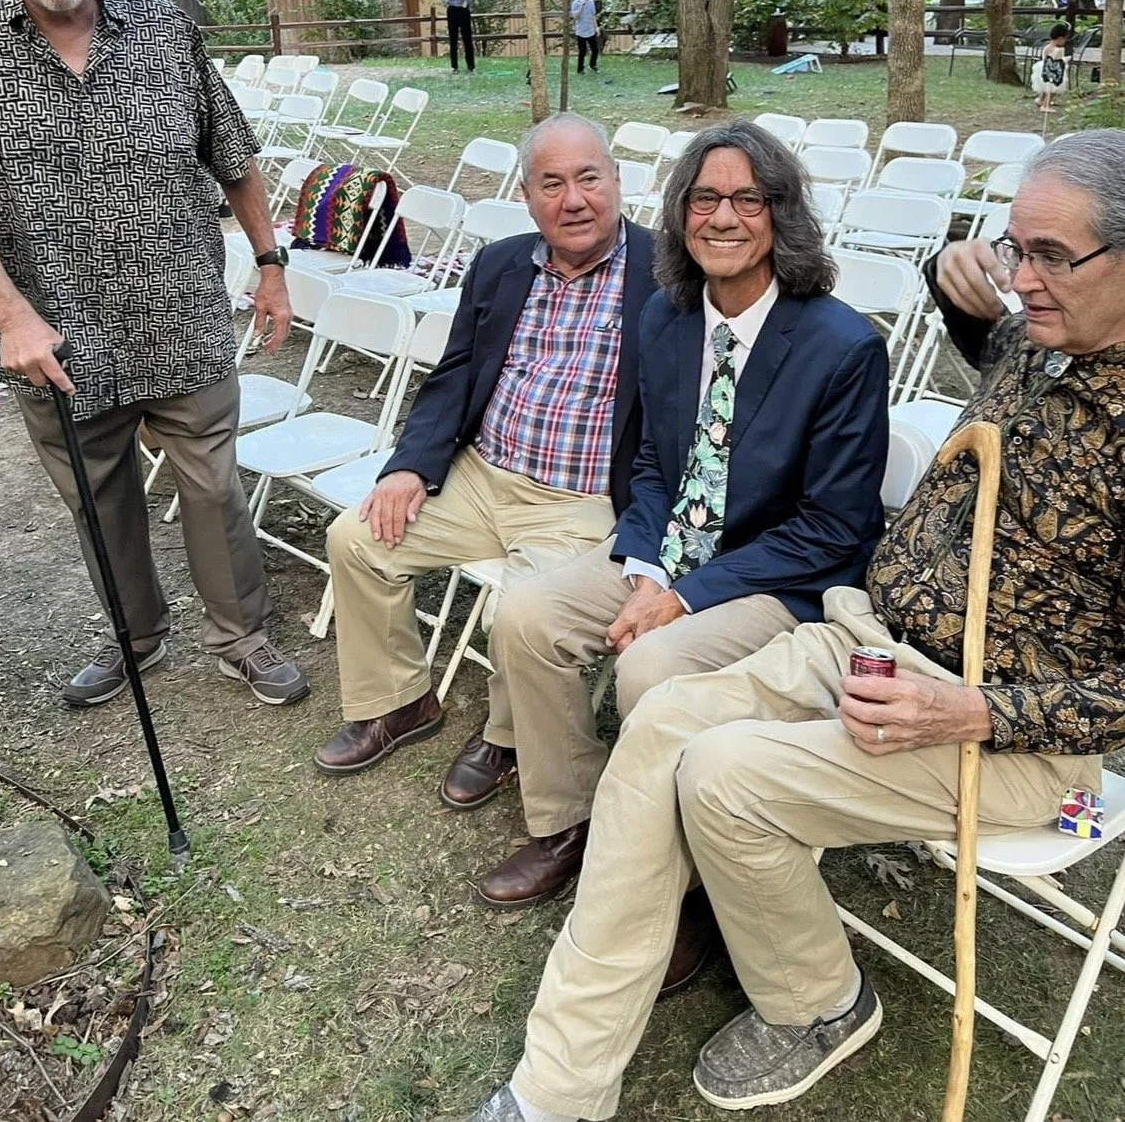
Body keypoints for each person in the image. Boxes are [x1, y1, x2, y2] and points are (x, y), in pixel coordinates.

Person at [455, 129, 1125, 1122]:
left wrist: (969, 708)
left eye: (1049, 256)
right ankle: (554, 1085)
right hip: (865, 636)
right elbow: (1015, 371)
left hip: (1002, 724)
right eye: (1011, 247)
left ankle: (817, 1000)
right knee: (658, 725)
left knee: (717, 774)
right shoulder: (1040, 338)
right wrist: (961, 294)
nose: (1020, 278)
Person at [454, 120, 891, 913]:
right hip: (673, 552)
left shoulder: (841, 347)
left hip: (776, 577)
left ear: (779, 213)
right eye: (704, 199)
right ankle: (570, 821)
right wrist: (647, 564)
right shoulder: (667, 317)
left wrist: (683, 597)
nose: (722, 219)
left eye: (747, 200)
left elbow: (831, 529)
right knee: (523, 614)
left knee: (650, 667)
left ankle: (679, 881)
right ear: (680, 213)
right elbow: (653, 463)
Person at [0, 0, 308, 709]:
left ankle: (242, 636)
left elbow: (234, 157)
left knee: (214, 485)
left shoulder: (162, 31)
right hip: (54, 332)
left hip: (179, 312)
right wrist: (8, 314)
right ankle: (136, 637)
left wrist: (270, 264)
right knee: (98, 497)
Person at [313, 116, 657, 785]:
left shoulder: (669, 276)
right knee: (355, 539)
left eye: (588, 178)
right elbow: (454, 372)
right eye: (551, 184)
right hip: (479, 474)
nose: (574, 199)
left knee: (521, 615)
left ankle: (507, 738)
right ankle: (400, 702)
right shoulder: (500, 263)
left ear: (616, 181)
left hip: (579, 499)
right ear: (527, 197)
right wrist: (410, 464)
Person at [441, 0, 479, 72]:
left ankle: (471, 66)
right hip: (452, 10)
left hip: (464, 9)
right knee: (453, 39)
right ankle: (454, 67)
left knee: (467, 38)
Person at [1032, 21, 1070, 111]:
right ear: (1060, 38)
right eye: (1064, 39)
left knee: (1045, 88)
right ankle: (1046, 105)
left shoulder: (1047, 46)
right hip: (1052, 71)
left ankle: (1040, 100)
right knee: (1053, 89)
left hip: (1043, 69)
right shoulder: (1057, 50)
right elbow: (1057, 61)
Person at [570, 0, 600, 73]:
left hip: (590, 29)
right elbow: (575, 17)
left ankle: (593, 65)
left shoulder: (591, 2)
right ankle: (580, 69)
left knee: (595, 50)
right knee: (582, 51)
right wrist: (581, 6)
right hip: (581, 31)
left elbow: (593, 15)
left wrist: (596, 27)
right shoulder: (576, 2)